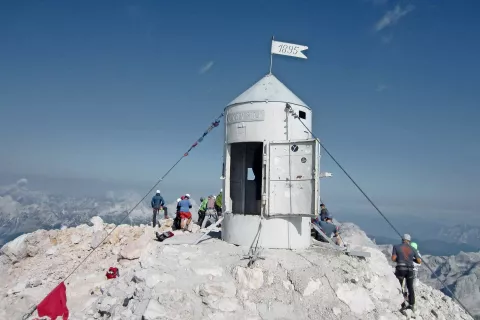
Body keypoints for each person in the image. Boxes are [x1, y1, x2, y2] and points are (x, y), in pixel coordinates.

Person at [391, 234, 422, 312]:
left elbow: (393, 258)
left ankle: (401, 303)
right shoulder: (413, 249)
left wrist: (399, 259)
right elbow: (419, 261)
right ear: (409, 241)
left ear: (402, 240)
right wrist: (412, 259)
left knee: (398, 285)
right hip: (410, 270)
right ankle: (411, 304)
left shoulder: (396, 247)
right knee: (410, 287)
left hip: (400, 269)